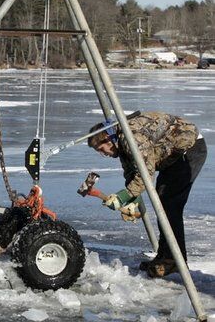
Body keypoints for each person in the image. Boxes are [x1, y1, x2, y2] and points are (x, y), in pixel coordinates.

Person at [87, 111, 207, 278]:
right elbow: (131, 171)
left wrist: (123, 196)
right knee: (164, 203)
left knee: (170, 204)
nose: (103, 154)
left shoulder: (131, 137)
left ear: (108, 139)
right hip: (171, 157)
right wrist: (132, 200)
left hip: (189, 150)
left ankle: (175, 261)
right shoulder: (121, 142)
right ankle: (166, 256)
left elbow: (146, 172)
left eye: (101, 149)